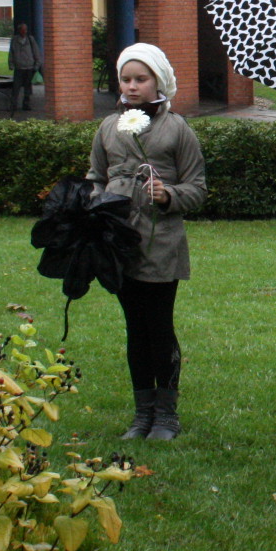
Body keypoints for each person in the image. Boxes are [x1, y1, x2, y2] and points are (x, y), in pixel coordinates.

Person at [87, 43, 208, 441]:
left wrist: (168, 195)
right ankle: (143, 414)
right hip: (119, 243)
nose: (132, 86)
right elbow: (96, 177)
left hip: (162, 242)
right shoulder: (108, 127)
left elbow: (197, 188)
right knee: (135, 328)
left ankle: (166, 414)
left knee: (158, 326)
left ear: (160, 81)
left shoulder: (177, 129)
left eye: (141, 79)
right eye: (126, 79)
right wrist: (97, 205)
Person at [9, 21, 42, 113]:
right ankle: (13, 104)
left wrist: (37, 65)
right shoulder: (14, 40)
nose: (24, 32)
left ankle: (26, 104)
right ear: (19, 30)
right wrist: (11, 64)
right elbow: (11, 53)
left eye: (25, 30)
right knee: (16, 87)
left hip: (29, 68)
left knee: (28, 88)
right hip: (19, 68)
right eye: (22, 30)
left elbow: (36, 52)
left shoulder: (30, 40)